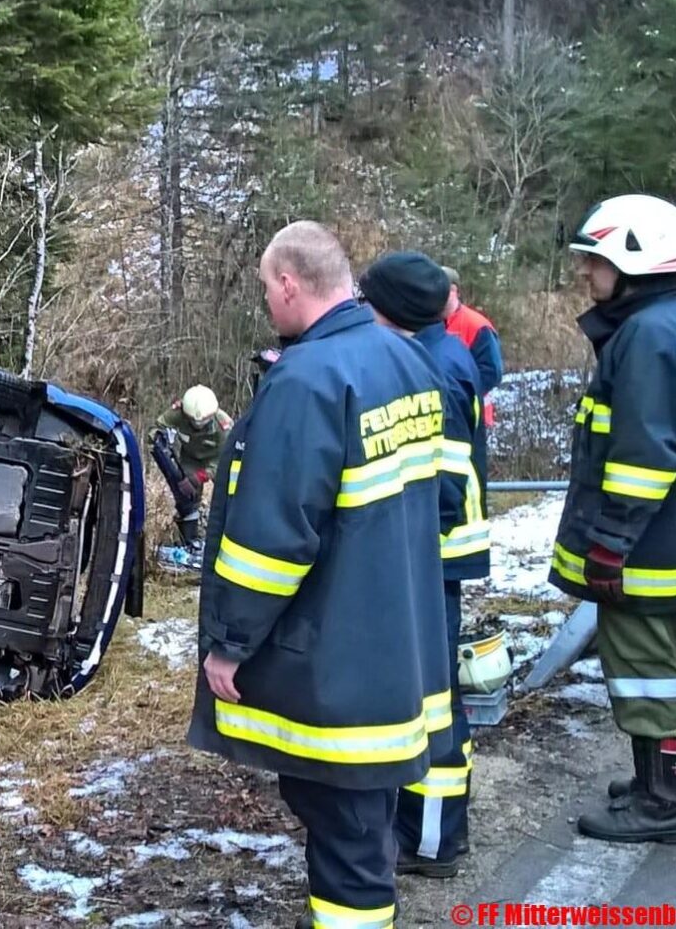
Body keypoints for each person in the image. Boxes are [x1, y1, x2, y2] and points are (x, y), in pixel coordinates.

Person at [189, 222, 453, 929]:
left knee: (345, 828)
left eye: (263, 288)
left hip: (336, 655)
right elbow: (436, 497)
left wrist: (229, 642)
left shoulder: (306, 379)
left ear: (287, 282)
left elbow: (272, 538)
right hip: (396, 638)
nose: (265, 303)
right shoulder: (407, 359)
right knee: (365, 817)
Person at [550, 193, 676, 844]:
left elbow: (645, 455)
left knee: (645, 669)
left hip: (648, 547)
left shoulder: (648, 335)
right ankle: (671, 784)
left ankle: (662, 801)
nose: (587, 274)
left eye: (595, 261)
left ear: (632, 260)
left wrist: (609, 543)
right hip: (667, 538)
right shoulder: (665, 324)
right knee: (661, 666)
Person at [359, 252, 491, 879]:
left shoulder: (433, 369)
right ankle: (426, 827)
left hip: (435, 553)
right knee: (430, 692)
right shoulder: (439, 354)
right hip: (436, 550)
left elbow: (438, 481)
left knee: (435, 701)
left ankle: (434, 839)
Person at [150, 385, 233, 557]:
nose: (197, 426)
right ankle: (189, 539)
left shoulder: (224, 426)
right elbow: (157, 427)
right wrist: (160, 441)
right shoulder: (179, 413)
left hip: (217, 460)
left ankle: (227, 536)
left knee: (229, 495)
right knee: (187, 494)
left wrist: (201, 476)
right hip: (191, 457)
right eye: (193, 423)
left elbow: (227, 456)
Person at [441, 267, 504, 422]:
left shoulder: (477, 325)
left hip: (472, 416)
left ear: (455, 292)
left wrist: (457, 397)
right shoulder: (425, 323)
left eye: (444, 290)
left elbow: (492, 373)